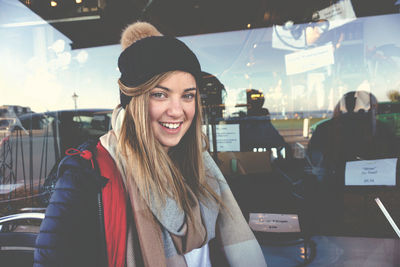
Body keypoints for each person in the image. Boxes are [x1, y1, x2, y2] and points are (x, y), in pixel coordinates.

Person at [34, 21, 267, 267]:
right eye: (160, 94)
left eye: (187, 95)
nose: (177, 111)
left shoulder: (203, 167)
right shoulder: (85, 176)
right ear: (134, 100)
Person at [306, 90, 399, 233]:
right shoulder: (328, 130)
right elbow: (314, 165)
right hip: (337, 199)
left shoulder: (381, 130)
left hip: (374, 202)